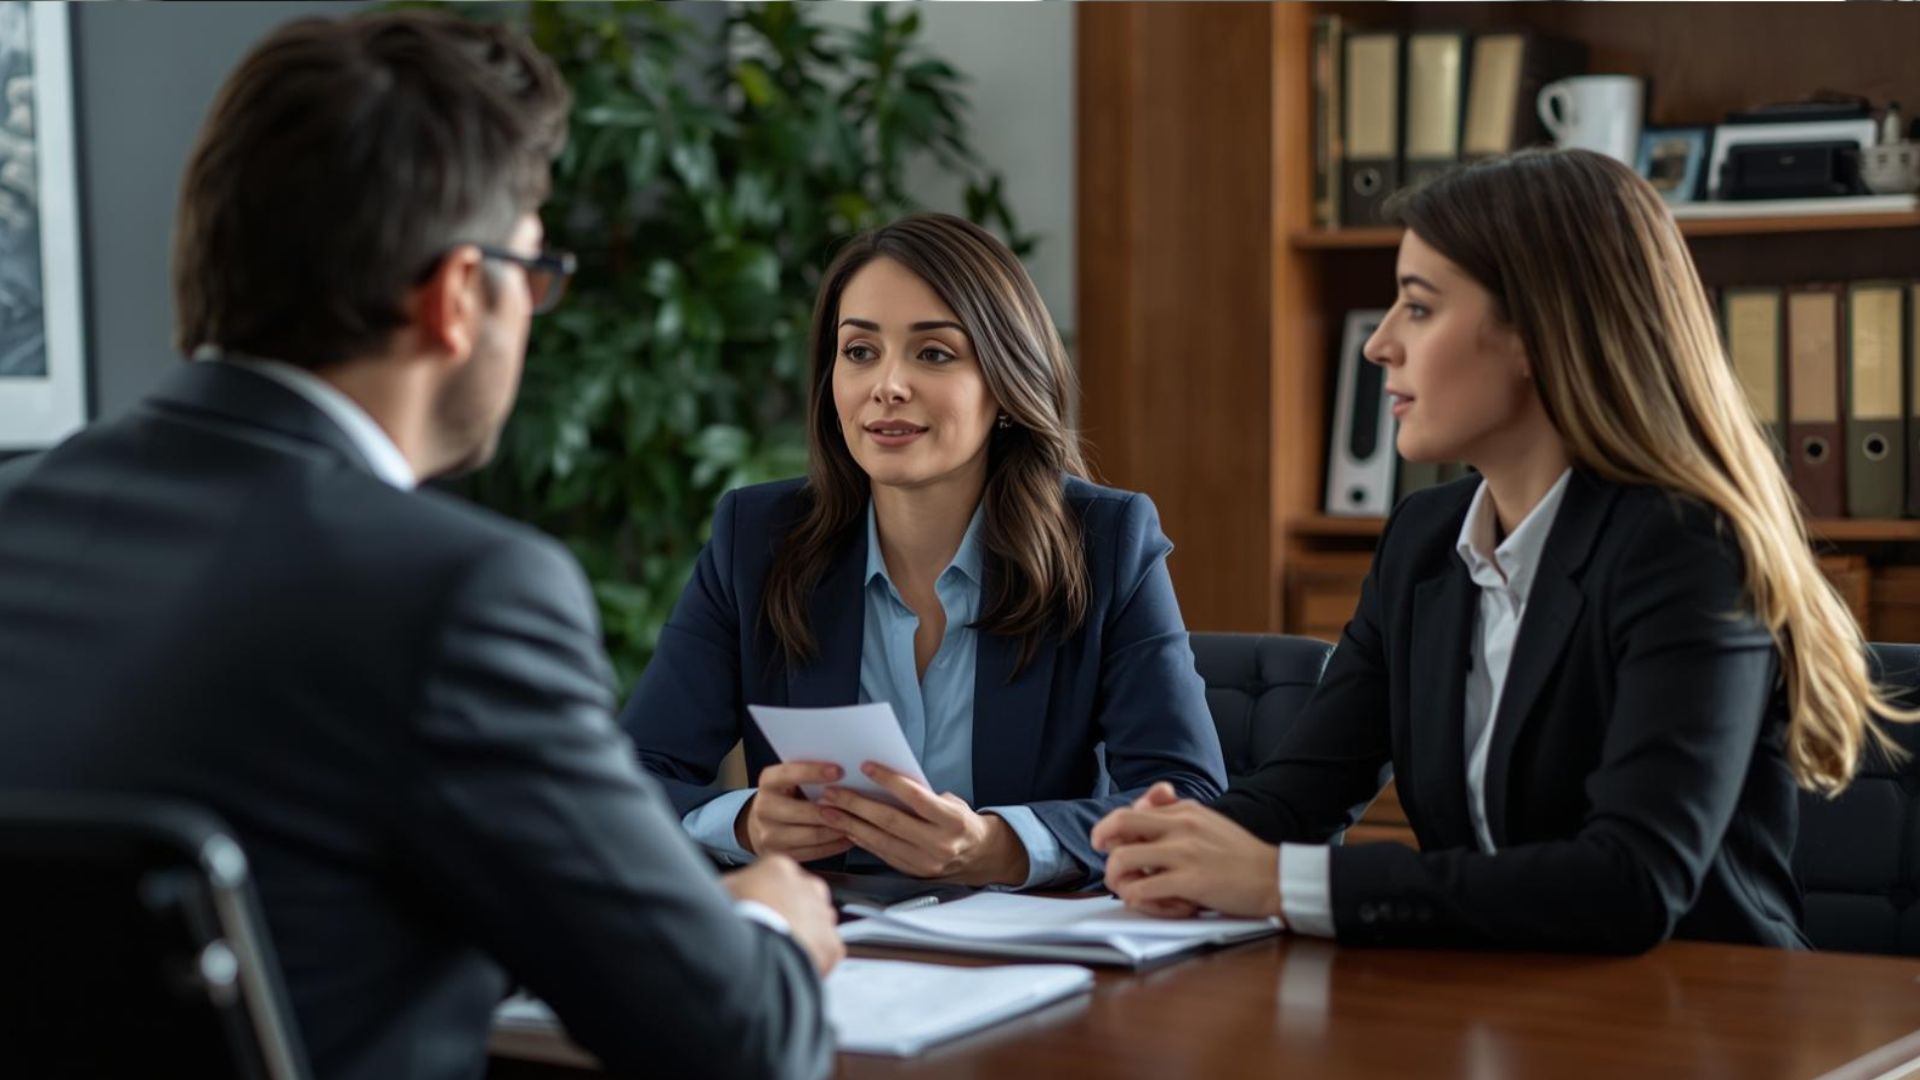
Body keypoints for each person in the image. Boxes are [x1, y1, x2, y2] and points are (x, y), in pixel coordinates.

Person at [0, 13, 837, 1080]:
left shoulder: (18, 516)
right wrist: (768, 924)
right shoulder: (455, 598)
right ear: (456, 298)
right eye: (534, 271)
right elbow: (741, 1044)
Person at [1091, 148, 1910, 952]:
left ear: (1536, 333)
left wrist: (1280, 883)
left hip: (1704, 1010)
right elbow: (1301, 794)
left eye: (1418, 307)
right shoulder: (1424, 540)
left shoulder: (1687, 550)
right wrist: (1180, 844)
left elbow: (1632, 880)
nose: (1379, 344)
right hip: (1501, 999)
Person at [622, 213, 1226, 889]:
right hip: (828, 935)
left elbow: (1189, 798)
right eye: (859, 352)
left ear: (1005, 381)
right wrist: (743, 825)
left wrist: (1001, 846)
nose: (887, 385)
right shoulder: (757, 538)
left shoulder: (1106, 543)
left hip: (1022, 940)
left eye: (934, 354)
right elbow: (631, 775)